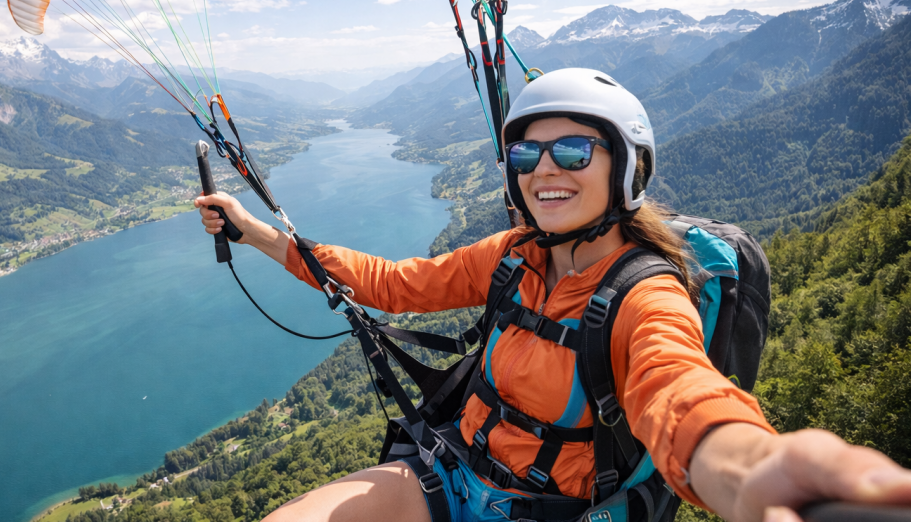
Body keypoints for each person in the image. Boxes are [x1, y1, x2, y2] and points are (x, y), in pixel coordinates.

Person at [196, 69, 911, 522]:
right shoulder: (514, 254)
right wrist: (256, 230)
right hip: (449, 473)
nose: (545, 169)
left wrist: (751, 470)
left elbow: (680, 391)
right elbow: (395, 284)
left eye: (573, 151)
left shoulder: (645, 293)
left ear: (624, 167)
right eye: (526, 153)